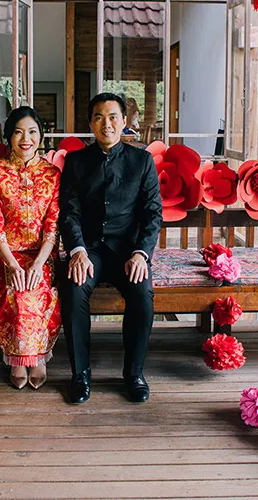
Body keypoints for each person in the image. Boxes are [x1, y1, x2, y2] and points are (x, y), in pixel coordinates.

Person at [58, 92, 163, 404]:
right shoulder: (76, 162)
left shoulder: (142, 161)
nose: (107, 123)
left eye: (113, 116)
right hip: (89, 248)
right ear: (91, 123)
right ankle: (80, 375)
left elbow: (152, 213)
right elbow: (69, 213)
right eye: (99, 117)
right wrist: (76, 250)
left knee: (142, 291)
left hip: (128, 251)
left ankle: (134, 374)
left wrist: (142, 253)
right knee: (73, 286)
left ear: (124, 122)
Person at [0, 106, 62, 390]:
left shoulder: (53, 174)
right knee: (17, 289)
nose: (25, 138)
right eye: (18, 132)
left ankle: (38, 359)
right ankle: (18, 360)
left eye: (32, 132)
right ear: (9, 137)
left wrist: (39, 262)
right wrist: (12, 264)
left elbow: (53, 225)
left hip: (41, 254)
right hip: (3, 254)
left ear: (41, 136)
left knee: (38, 286)